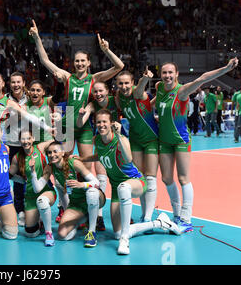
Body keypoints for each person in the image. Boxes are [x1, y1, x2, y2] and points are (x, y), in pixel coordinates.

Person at [79, 109, 181, 254]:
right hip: (116, 187)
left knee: (124, 188)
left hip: (135, 181)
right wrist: (83, 159)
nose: (101, 125)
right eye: (98, 122)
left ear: (111, 123)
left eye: (104, 122)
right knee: (116, 232)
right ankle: (159, 223)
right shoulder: (98, 140)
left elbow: (128, 159)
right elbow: (100, 155)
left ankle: (125, 240)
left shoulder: (121, 139)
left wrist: (120, 135)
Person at [154, 58, 239, 232]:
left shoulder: (182, 91)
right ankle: (176, 214)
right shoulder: (159, 88)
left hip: (180, 140)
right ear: (160, 75)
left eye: (171, 72)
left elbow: (202, 78)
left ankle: (186, 218)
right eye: (164, 72)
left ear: (177, 74)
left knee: (183, 178)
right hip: (164, 140)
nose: (167, 75)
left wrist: (226, 68)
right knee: (166, 178)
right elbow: (156, 103)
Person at [29, 19, 124, 164]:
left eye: (82, 61)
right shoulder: (68, 77)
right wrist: (37, 37)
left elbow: (119, 66)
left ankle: (86, 186)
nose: (79, 63)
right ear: (73, 63)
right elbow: (45, 61)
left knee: (86, 164)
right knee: (65, 163)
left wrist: (106, 50)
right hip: (67, 125)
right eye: (77, 61)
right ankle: (68, 187)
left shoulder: (95, 78)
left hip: (84, 126)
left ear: (88, 63)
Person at [35, 141, 104, 248]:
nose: (52, 155)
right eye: (49, 153)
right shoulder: (50, 167)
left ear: (62, 152)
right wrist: (32, 172)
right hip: (76, 204)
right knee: (62, 235)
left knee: (91, 193)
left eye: (55, 151)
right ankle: (84, 218)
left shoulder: (74, 163)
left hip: (95, 196)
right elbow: (38, 188)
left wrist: (81, 185)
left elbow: (96, 183)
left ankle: (91, 232)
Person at [114, 68, 158, 225]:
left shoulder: (137, 92)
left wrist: (145, 78)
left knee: (151, 176)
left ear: (132, 83)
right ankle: (144, 214)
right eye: (121, 83)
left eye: (127, 83)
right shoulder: (119, 96)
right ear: (117, 85)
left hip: (151, 138)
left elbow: (140, 89)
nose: (124, 86)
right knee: (140, 177)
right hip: (135, 140)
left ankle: (148, 217)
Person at [76, 81, 120, 231]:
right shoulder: (93, 105)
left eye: (101, 91)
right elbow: (81, 123)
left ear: (107, 91)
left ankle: (120, 209)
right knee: (101, 176)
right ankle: (99, 217)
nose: (98, 94)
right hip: (102, 142)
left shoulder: (116, 100)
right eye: (95, 92)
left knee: (119, 179)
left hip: (119, 142)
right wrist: (80, 115)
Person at [9, 129, 56, 246]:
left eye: (28, 138)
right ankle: (39, 220)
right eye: (23, 139)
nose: (26, 141)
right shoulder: (17, 157)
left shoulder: (40, 148)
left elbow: (53, 141)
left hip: (45, 191)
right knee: (30, 232)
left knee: (42, 202)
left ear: (33, 139)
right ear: (19, 141)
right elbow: (9, 174)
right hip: (30, 196)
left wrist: (50, 130)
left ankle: (49, 233)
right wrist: (21, 180)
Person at [5, 72, 29, 227]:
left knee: (24, 178)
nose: (16, 85)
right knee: (8, 177)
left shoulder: (30, 97)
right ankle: (11, 209)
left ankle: (24, 209)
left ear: (23, 83)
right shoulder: (5, 100)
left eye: (18, 82)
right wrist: (24, 113)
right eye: (13, 82)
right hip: (9, 144)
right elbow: (6, 120)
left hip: (25, 144)